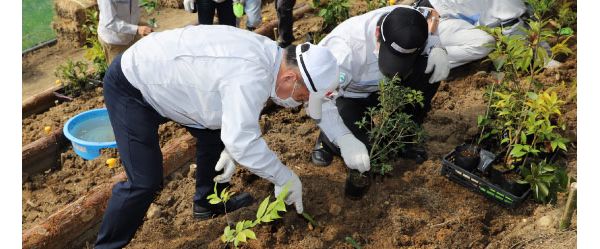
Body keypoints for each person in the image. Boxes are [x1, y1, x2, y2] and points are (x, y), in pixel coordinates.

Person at [94, 25, 340, 248]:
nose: (298, 104)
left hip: (171, 79)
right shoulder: (251, 76)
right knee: (144, 180)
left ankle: (205, 203)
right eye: (301, 97)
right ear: (289, 78)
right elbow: (243, 139)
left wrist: (232, 143)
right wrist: (284, 178)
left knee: (214, 136)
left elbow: (234, 112)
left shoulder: (272, 56)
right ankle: (107, 246)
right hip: (133, 83)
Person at [310, 5, 451, 173]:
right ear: (378, 33)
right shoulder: (343, 51)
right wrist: (343, 138)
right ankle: (326, 140)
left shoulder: (409, 18)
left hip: (388, 89)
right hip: (349, 96)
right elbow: (317, 100)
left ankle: (402, 140)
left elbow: (431, 14)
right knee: (369, 154)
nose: (395, 64)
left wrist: (436, 46)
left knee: (428, 68)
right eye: (391, 56)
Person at [418, 0, 560, 69]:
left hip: (450, 13)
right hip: (435, 19)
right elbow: (512, 22)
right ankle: (424, 60)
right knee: (483, 43)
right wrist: (542, 60)